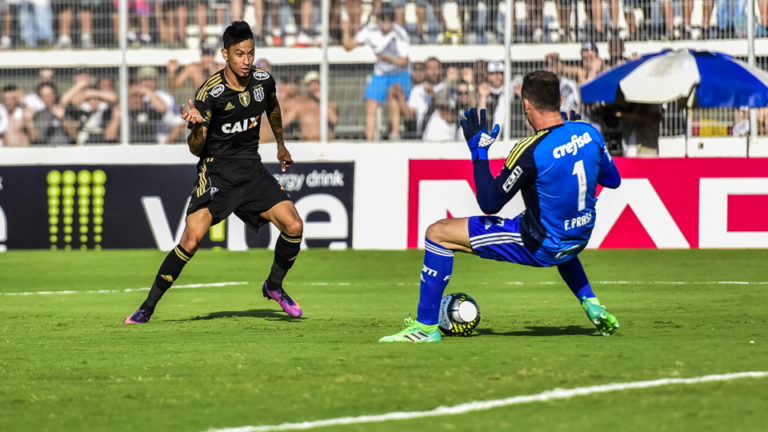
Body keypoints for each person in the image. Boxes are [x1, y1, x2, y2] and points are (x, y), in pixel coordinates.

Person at [379, 70, 621, 343]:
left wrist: (479, 153)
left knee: (438, 234)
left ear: (526, 106)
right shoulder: (589, 132)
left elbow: (490, 203)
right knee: (556, 228)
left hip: (540, 243)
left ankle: (425, 328)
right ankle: (591, 302)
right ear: (560, 100)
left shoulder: (530, 150)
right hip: (578, 237)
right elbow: (613, 180)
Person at [124, 21, 304, 324]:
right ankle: (147, 307)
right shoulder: (211, 92)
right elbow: (196, 148)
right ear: (225, 55)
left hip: (252, 171)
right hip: (217, 173)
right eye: (239, 54)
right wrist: (195, 126)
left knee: (294, 226)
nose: (246, 61)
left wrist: (281, 146)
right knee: (190, 242)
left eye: (250, 54)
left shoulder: (263, 81)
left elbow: (272, 107)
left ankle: (273, 286)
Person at [342, 3, 410, 141]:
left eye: (389, 19)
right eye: (383, 19)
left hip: (399, 73)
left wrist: (390, 60)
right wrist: (345, 30)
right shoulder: (370, 30)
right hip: (380, 74)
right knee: (371, 101)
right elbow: (348, 46)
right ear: (377, 19)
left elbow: (405, 61)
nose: (386, 23)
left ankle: (394, 135)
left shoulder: (400, 33)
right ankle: (369, 139)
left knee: (394, 95)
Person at [281, 71, 338, 141]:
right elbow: (283, 123)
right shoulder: (300, 105)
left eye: (317, 83)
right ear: (307, 87)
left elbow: (334, 120)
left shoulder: (330, 104)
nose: (315, 86)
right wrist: (282, 99)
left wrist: (322, 101)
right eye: (311, 84)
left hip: (326, 145)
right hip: (308, 145)